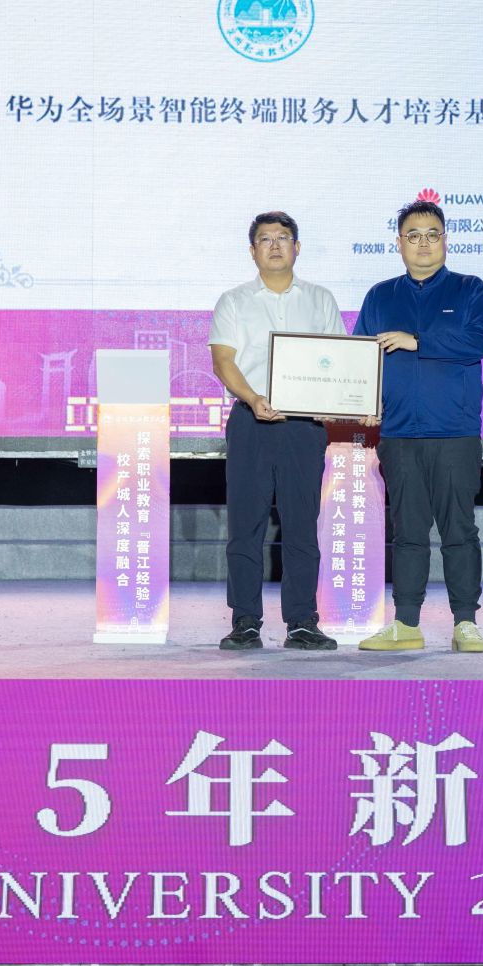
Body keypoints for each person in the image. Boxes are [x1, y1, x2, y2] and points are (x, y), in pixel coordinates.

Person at [352, 200, 483, 653]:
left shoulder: (470, 289)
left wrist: (418, 341)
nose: (423, 243)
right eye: (413, 235)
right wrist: (363, 402)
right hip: (398, 434)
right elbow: (361, 357)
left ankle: (466, 622)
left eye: (432, 234)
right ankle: (406, 623)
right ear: (399, 243)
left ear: (445, 240)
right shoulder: (380, 296)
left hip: (454, 433)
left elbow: (480, 340)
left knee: (459, 530)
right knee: (408, 533)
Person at [207, 211, 346, 652]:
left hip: (304, 426)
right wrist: (253, 398)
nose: (274, 246)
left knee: (302, 525)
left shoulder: (320, 299)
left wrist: (350, 402)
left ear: (297, 247)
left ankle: (303, 622)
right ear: (252, 251)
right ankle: (245, 621)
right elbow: (223, 361)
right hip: (251, 420)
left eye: (283, 238)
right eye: (265, 239)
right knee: (245, 526)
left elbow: (340, 361)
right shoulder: (234, 300)